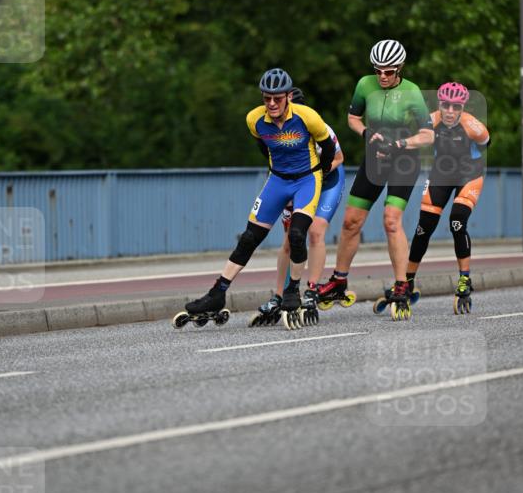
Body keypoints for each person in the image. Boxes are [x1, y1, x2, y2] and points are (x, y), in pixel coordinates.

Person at [179, 68, 336, 326]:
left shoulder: (308, 117)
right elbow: (263, 146)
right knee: (249, 237)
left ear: (287, 96)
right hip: (277, 180)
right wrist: (280, 172)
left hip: (307, 179)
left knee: (297, 235)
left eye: (277, 98)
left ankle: (291, 291)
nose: (272, 103)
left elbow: (328, 149)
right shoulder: (255, 120)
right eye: (266, 98)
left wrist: (321, 173)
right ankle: (217, 293)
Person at [318, 39, 434, 320]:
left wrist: (401, 144)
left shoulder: (412, 92)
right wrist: (366, 133)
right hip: (375, 160)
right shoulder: (364, 85)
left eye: (389, 71)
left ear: (400, 68)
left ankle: (401, 285)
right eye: (378, 70)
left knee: (391, 221)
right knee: (350, 222)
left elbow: (428, 134)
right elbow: (352, 118)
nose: (382, 76)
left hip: (404, 161)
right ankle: (339, 280)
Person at [254, 88, 345, 326]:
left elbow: (339, 158)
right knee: (289, 240)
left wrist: (316, 175)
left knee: (315, 232)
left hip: (326, 182)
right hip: (296, 184)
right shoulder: (277, 130)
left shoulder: (316, 125)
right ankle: (279, 294)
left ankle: (312, 290)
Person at [406, 81, 490, 314]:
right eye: (446, 106)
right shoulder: (430, 122)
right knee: (423, 228)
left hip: (469, 175)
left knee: (457, 222)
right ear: (440, 104)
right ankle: (408, 281)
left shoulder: (474, 126)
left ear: (463, 107)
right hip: (441, 174)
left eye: (456, 107)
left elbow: (485, 144)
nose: (451, 112)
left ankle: (464, 279)